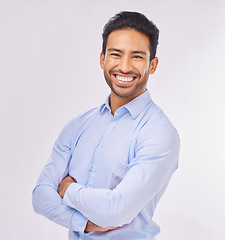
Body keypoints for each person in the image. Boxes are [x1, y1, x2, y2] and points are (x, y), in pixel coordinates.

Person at [32, 11, 180, 240]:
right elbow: (40, 197)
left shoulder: (159, 133)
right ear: (102, 59)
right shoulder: (78, 126)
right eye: (116, 54)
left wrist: (67, 189)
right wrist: (84, 224)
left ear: (153, 65)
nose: (124, 66)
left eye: (137, 57)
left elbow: (116, 210)